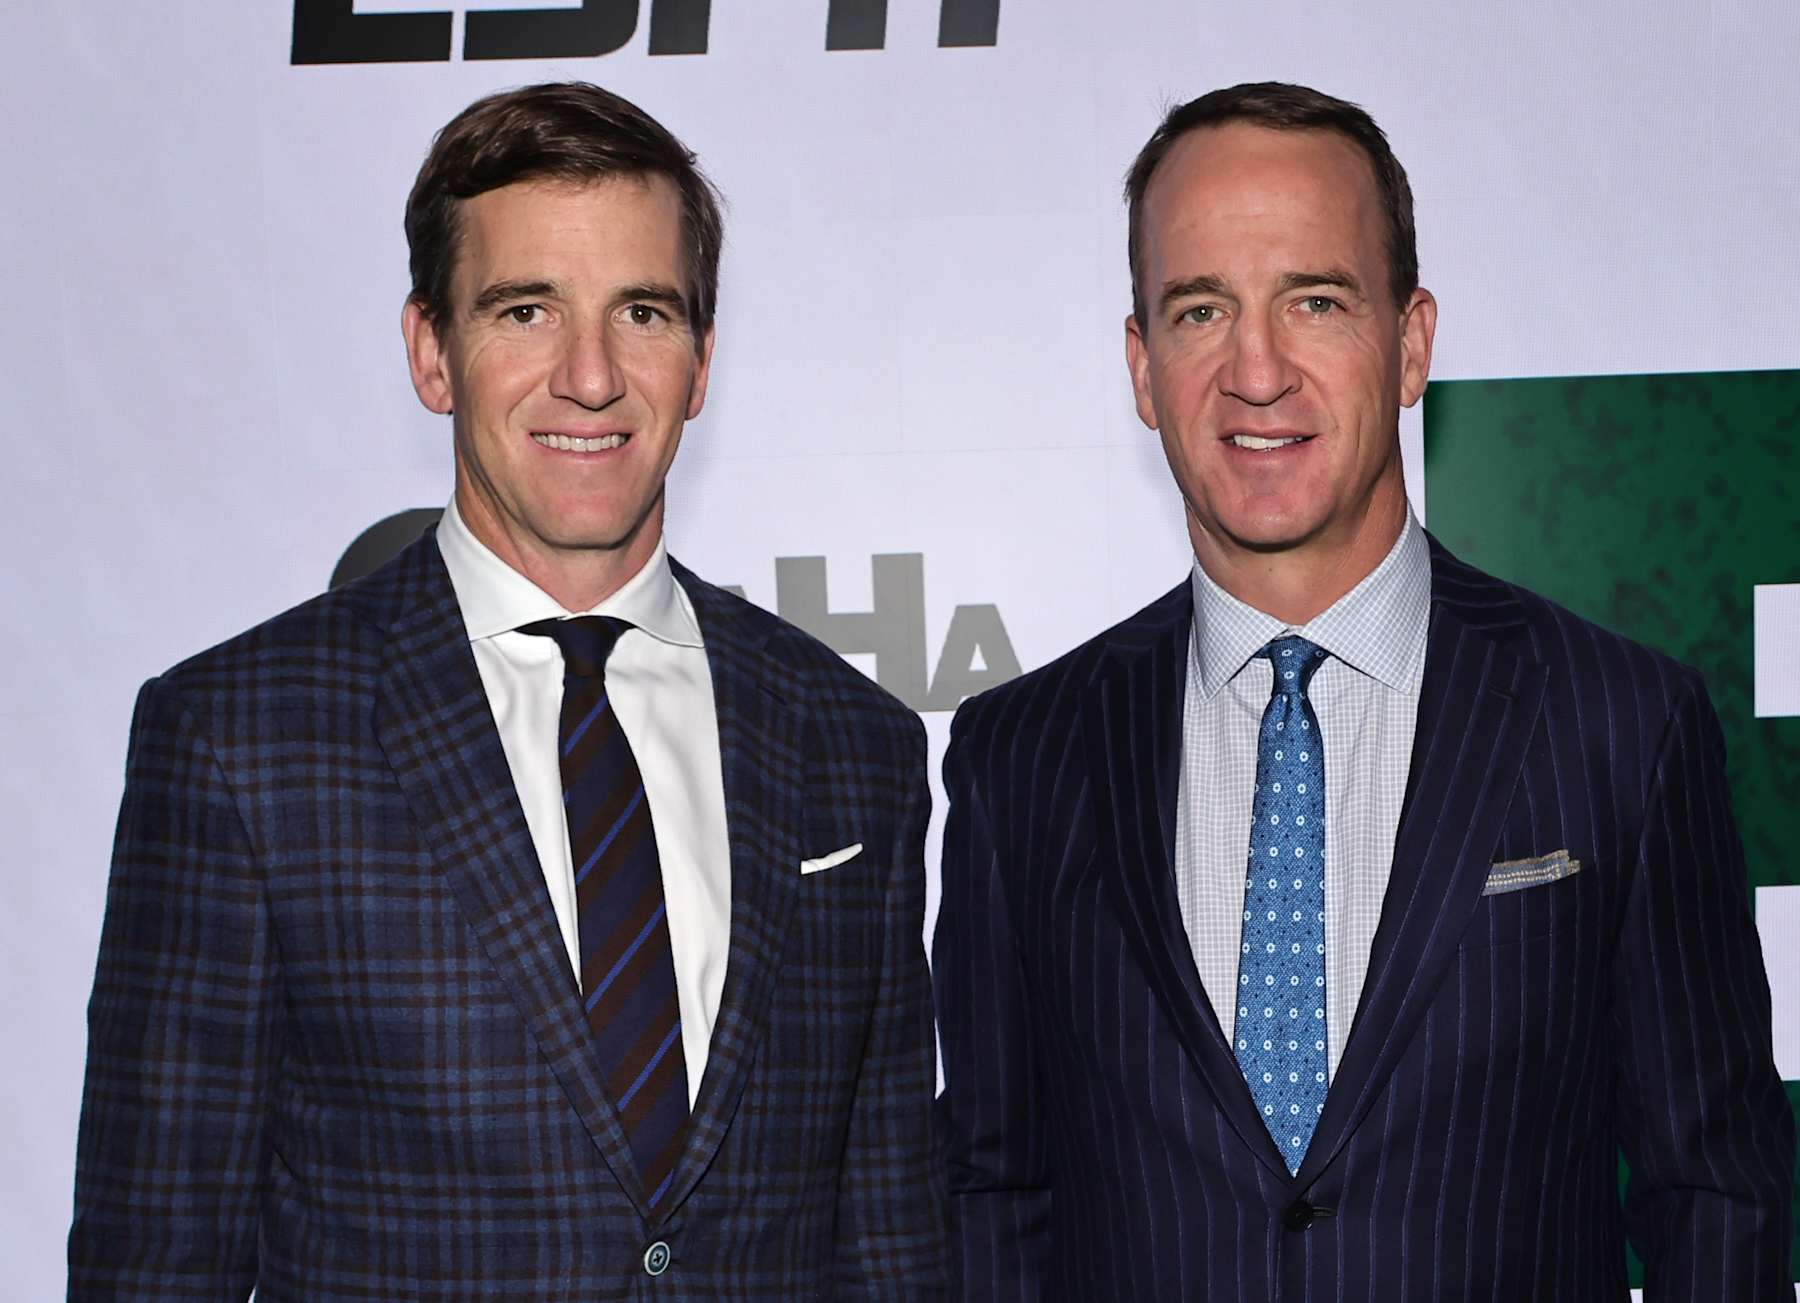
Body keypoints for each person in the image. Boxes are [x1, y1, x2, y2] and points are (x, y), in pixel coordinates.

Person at [69, 81, 946, 1298]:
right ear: (433, 351)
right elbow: (155, 1261)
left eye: (642, 311)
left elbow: (893, 1237)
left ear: (700, 361)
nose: (589, 375)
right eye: (525, 309)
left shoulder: (851, 742)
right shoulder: (239, 741)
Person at [933, 81, 1792, 1300]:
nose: (1257, 369)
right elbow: (991, 1198)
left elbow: (1718, 1196)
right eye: (1199, 311)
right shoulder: (1022, 756)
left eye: (1316, 301)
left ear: (1413, 340)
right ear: (1141, 365)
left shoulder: (1618, 725)